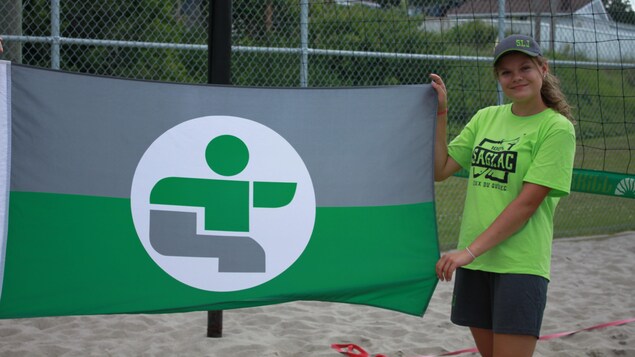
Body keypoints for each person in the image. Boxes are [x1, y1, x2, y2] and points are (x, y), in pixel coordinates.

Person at [430, 34, 576, 357]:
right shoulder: (486, 118)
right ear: (498, 78)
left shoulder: (557, 129)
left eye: (525, 67)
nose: (516, 77)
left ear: (543, 69)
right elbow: (440, 169)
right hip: (476, 264)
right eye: (506, 72)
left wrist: (467, 252)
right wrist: (441, 113)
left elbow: (526, 204)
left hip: (519, 266)